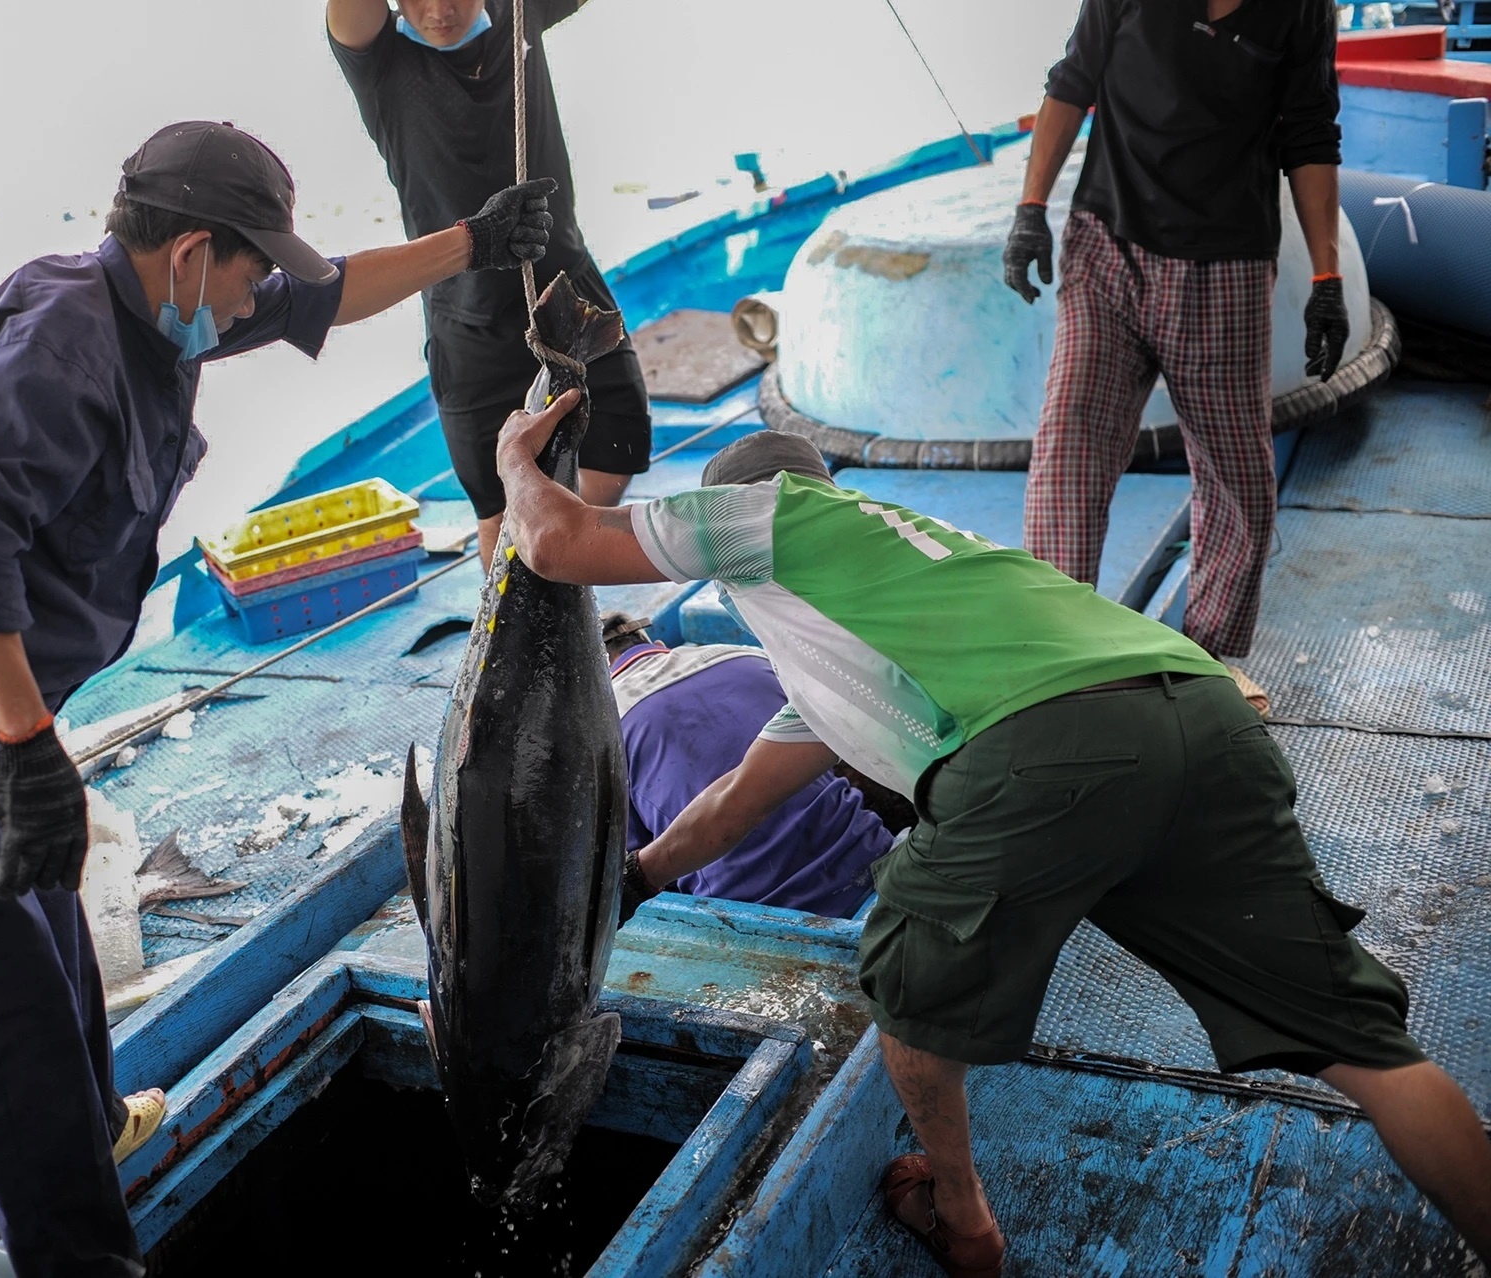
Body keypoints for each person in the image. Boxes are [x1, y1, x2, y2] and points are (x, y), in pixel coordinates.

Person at [0, 121, 557, 1278]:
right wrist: (28, 749)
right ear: (186, 251)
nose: (256, 297)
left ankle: (91, 1125)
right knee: (0, 1012)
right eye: (246, 271)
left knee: (58, 934)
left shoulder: (158, 304)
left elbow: (332, 297)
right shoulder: (67, 346)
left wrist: (476, 240)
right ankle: (75, 1249)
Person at [497, 414, 1491, 1276]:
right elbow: (730, 804)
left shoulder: (777, 517)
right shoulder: (879, 627)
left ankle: (964, 1219)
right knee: (1365, 1049)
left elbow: (556, 542)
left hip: (1045, 746)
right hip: (1205, 719)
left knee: (907, 998)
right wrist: (633, 881)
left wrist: (511, 460)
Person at [1005, 0, 1350, 713]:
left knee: (1238, 479)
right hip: (1108, 245)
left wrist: (1327, 278)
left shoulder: (1301, 10)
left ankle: (1204, 659)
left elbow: (1311, 135)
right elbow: (1072, 82)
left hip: (1224, 267)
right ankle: (1055, 653)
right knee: (1071, 442)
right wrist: (1030, 210)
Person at [328, 0, 652, 568]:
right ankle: (513, 633)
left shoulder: (519, 11)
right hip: (466, 318)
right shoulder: (381, 62)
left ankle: (563, 585)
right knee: (499, 509)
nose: (439, 9)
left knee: (621, 442)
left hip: (564, 286)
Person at [600, 611, 901, 921]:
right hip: (874, 859)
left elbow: (621, 865)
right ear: (657, 644)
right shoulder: (747, 656)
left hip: (761, 913)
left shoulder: (602, 731)